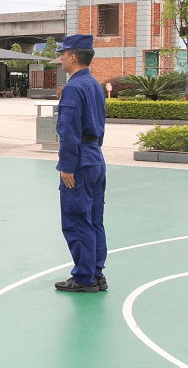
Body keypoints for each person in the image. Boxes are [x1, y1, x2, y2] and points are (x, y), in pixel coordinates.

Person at [53, 34, 107, 293]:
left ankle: (84, 277)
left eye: (63, 53)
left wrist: (67, 166)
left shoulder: (74, 87)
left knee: (76, 220)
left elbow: (69, 130)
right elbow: (100, 125)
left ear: (73, 56)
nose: (61, 58)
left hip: (80, 163)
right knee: (95, 220)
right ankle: (97, 274)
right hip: (95, 158)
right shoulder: (94, 84)